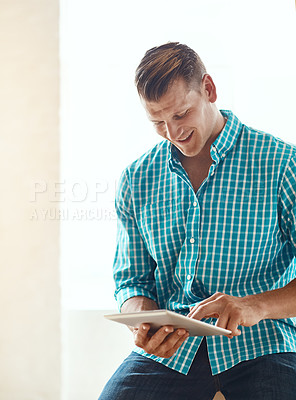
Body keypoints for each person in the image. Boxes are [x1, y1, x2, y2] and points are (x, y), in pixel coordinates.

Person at [99, 42, 296, 400]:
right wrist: (143, 319)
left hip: (263, 346)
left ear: (208, 89)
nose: (173, 132)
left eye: (180, 114)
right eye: (157, 122)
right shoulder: (138, 178)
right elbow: (131, 280)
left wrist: (255, 305)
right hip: (172, 354)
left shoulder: (281, 164)